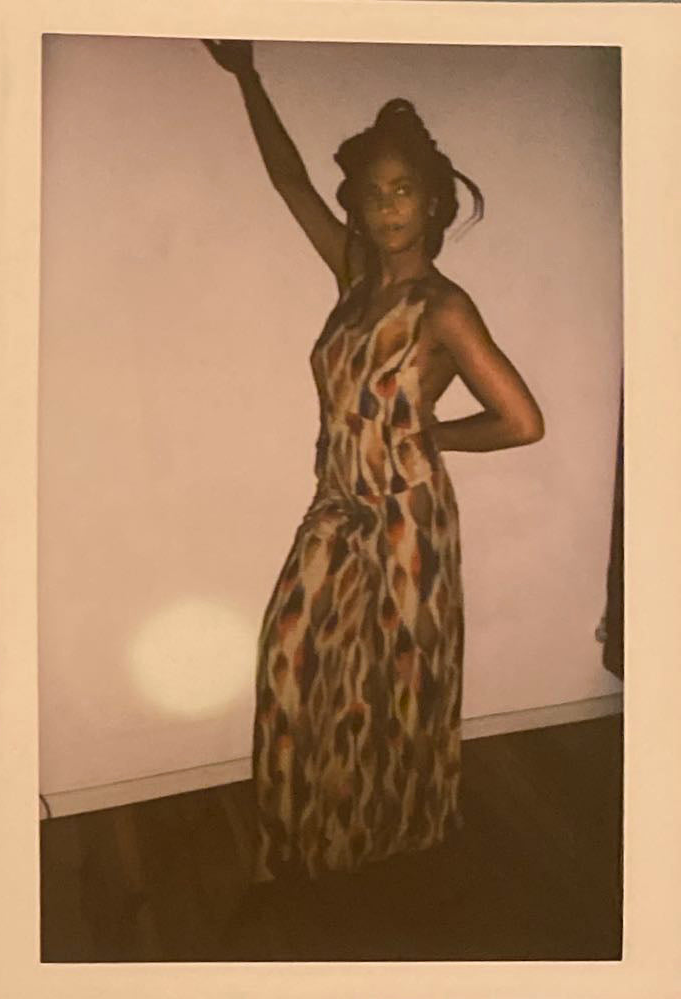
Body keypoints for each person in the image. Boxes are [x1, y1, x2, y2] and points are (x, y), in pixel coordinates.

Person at [203, 39, 545, 885]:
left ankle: (398, 847)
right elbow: (289, 181)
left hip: (405, 520)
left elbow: (523, 422)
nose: (388, 207)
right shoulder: (356, 279)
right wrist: (247, 76)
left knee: (393, 690)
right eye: (373, 193)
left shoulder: (443, 307)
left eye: (404, 192)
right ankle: (305, 842)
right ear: (357, 206)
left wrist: (432, 439)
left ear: (433, 204)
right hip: (336, 508)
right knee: (291, 664)